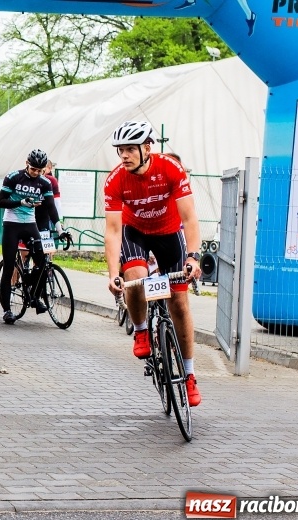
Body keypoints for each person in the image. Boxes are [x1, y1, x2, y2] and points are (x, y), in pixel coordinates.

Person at [104, 120, 202, 406]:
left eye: (130, 149)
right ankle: (142, 330)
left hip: (168, 234)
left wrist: (193, 256)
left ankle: (189, 374)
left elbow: (190, 218)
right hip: (135, 233)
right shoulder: (114, 180)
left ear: (147, 148)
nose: (124, 155)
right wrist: (112, 275)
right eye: (120, 150)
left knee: (180, 304)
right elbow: (112, 231)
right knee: (134, 276)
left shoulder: (170, 169)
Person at [0, 149, 69, 324]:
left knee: (42, 261)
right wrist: (21, 202)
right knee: (8, 267)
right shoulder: (13, 177)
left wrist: (61, 230)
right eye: (33, 169)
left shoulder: (44, 182)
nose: (36, 173)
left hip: (30, 224)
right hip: (12, 223)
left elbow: (52, 208)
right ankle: (7, 311)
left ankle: (34, 296)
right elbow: (1, 202)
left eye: (40, 170)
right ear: (26, 164)